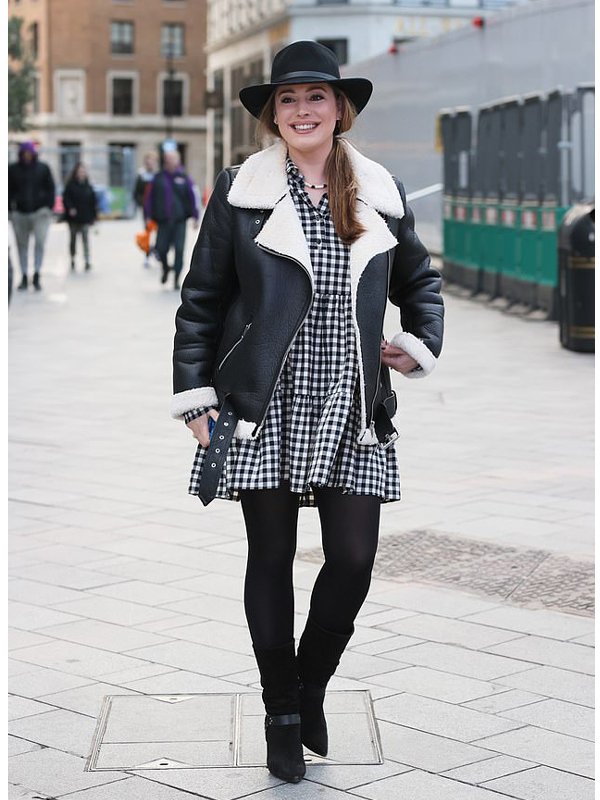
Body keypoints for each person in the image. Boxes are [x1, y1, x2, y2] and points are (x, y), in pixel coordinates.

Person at [171, 41, 444, 784]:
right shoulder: (241, 189)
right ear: (272, 115)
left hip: (353, 399)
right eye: (286, 101)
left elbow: (420, 282)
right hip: (265, 400)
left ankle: (311, 682)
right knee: (270, 558)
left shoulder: (380, 190)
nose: (300, 111)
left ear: (339, 109)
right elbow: (200, 301)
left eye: (314, 98)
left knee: (353, 559)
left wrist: (416, 343)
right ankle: (281, 713)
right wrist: (195, 394)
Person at [145, 148, 199, 289]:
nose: (170, 162)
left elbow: (192, 197)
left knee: (179, 250)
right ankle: (165, 268)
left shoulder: (184, 177)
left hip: (180, 221)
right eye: (168, 159)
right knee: (160, 249)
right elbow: (149, 198)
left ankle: (176, 278)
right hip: (163, 221)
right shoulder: (158, 178)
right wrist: (147, 215)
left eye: (173, 158)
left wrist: (195, 216)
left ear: (178, 160)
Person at [8, 141, 56, 291]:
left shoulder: (43, 168)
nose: (27, 156)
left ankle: (36, 273)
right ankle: (23, 274)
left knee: (40, 243)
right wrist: (10, 210)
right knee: (22, 245)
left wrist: (48, 207)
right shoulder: (13, 169)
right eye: (25, 153)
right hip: (20, 213)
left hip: (40, 213)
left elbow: (51, 189)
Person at [62, 162, 98, 272]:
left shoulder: (89, 186)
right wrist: (70, 208)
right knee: (73, 240)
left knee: (85, 239)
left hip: (85, 218)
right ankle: (72, 258)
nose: (82, 174)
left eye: (83, 172)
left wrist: (94, 217)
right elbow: (66, 199)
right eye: (80, 172)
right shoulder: (70, 186)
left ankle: (87, 260)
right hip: (73, 218)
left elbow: (93, 202)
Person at [133, 151, 158, 267]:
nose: (150, 164)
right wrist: (142, 204)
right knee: (148, 233)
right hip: (147, 210)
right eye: (149, 162)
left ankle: (157, 251)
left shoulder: (158, 176)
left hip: (158, 209)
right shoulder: (141, 176)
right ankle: (147, 255)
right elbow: (136, 193)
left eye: (152, 162)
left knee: (159, 233)